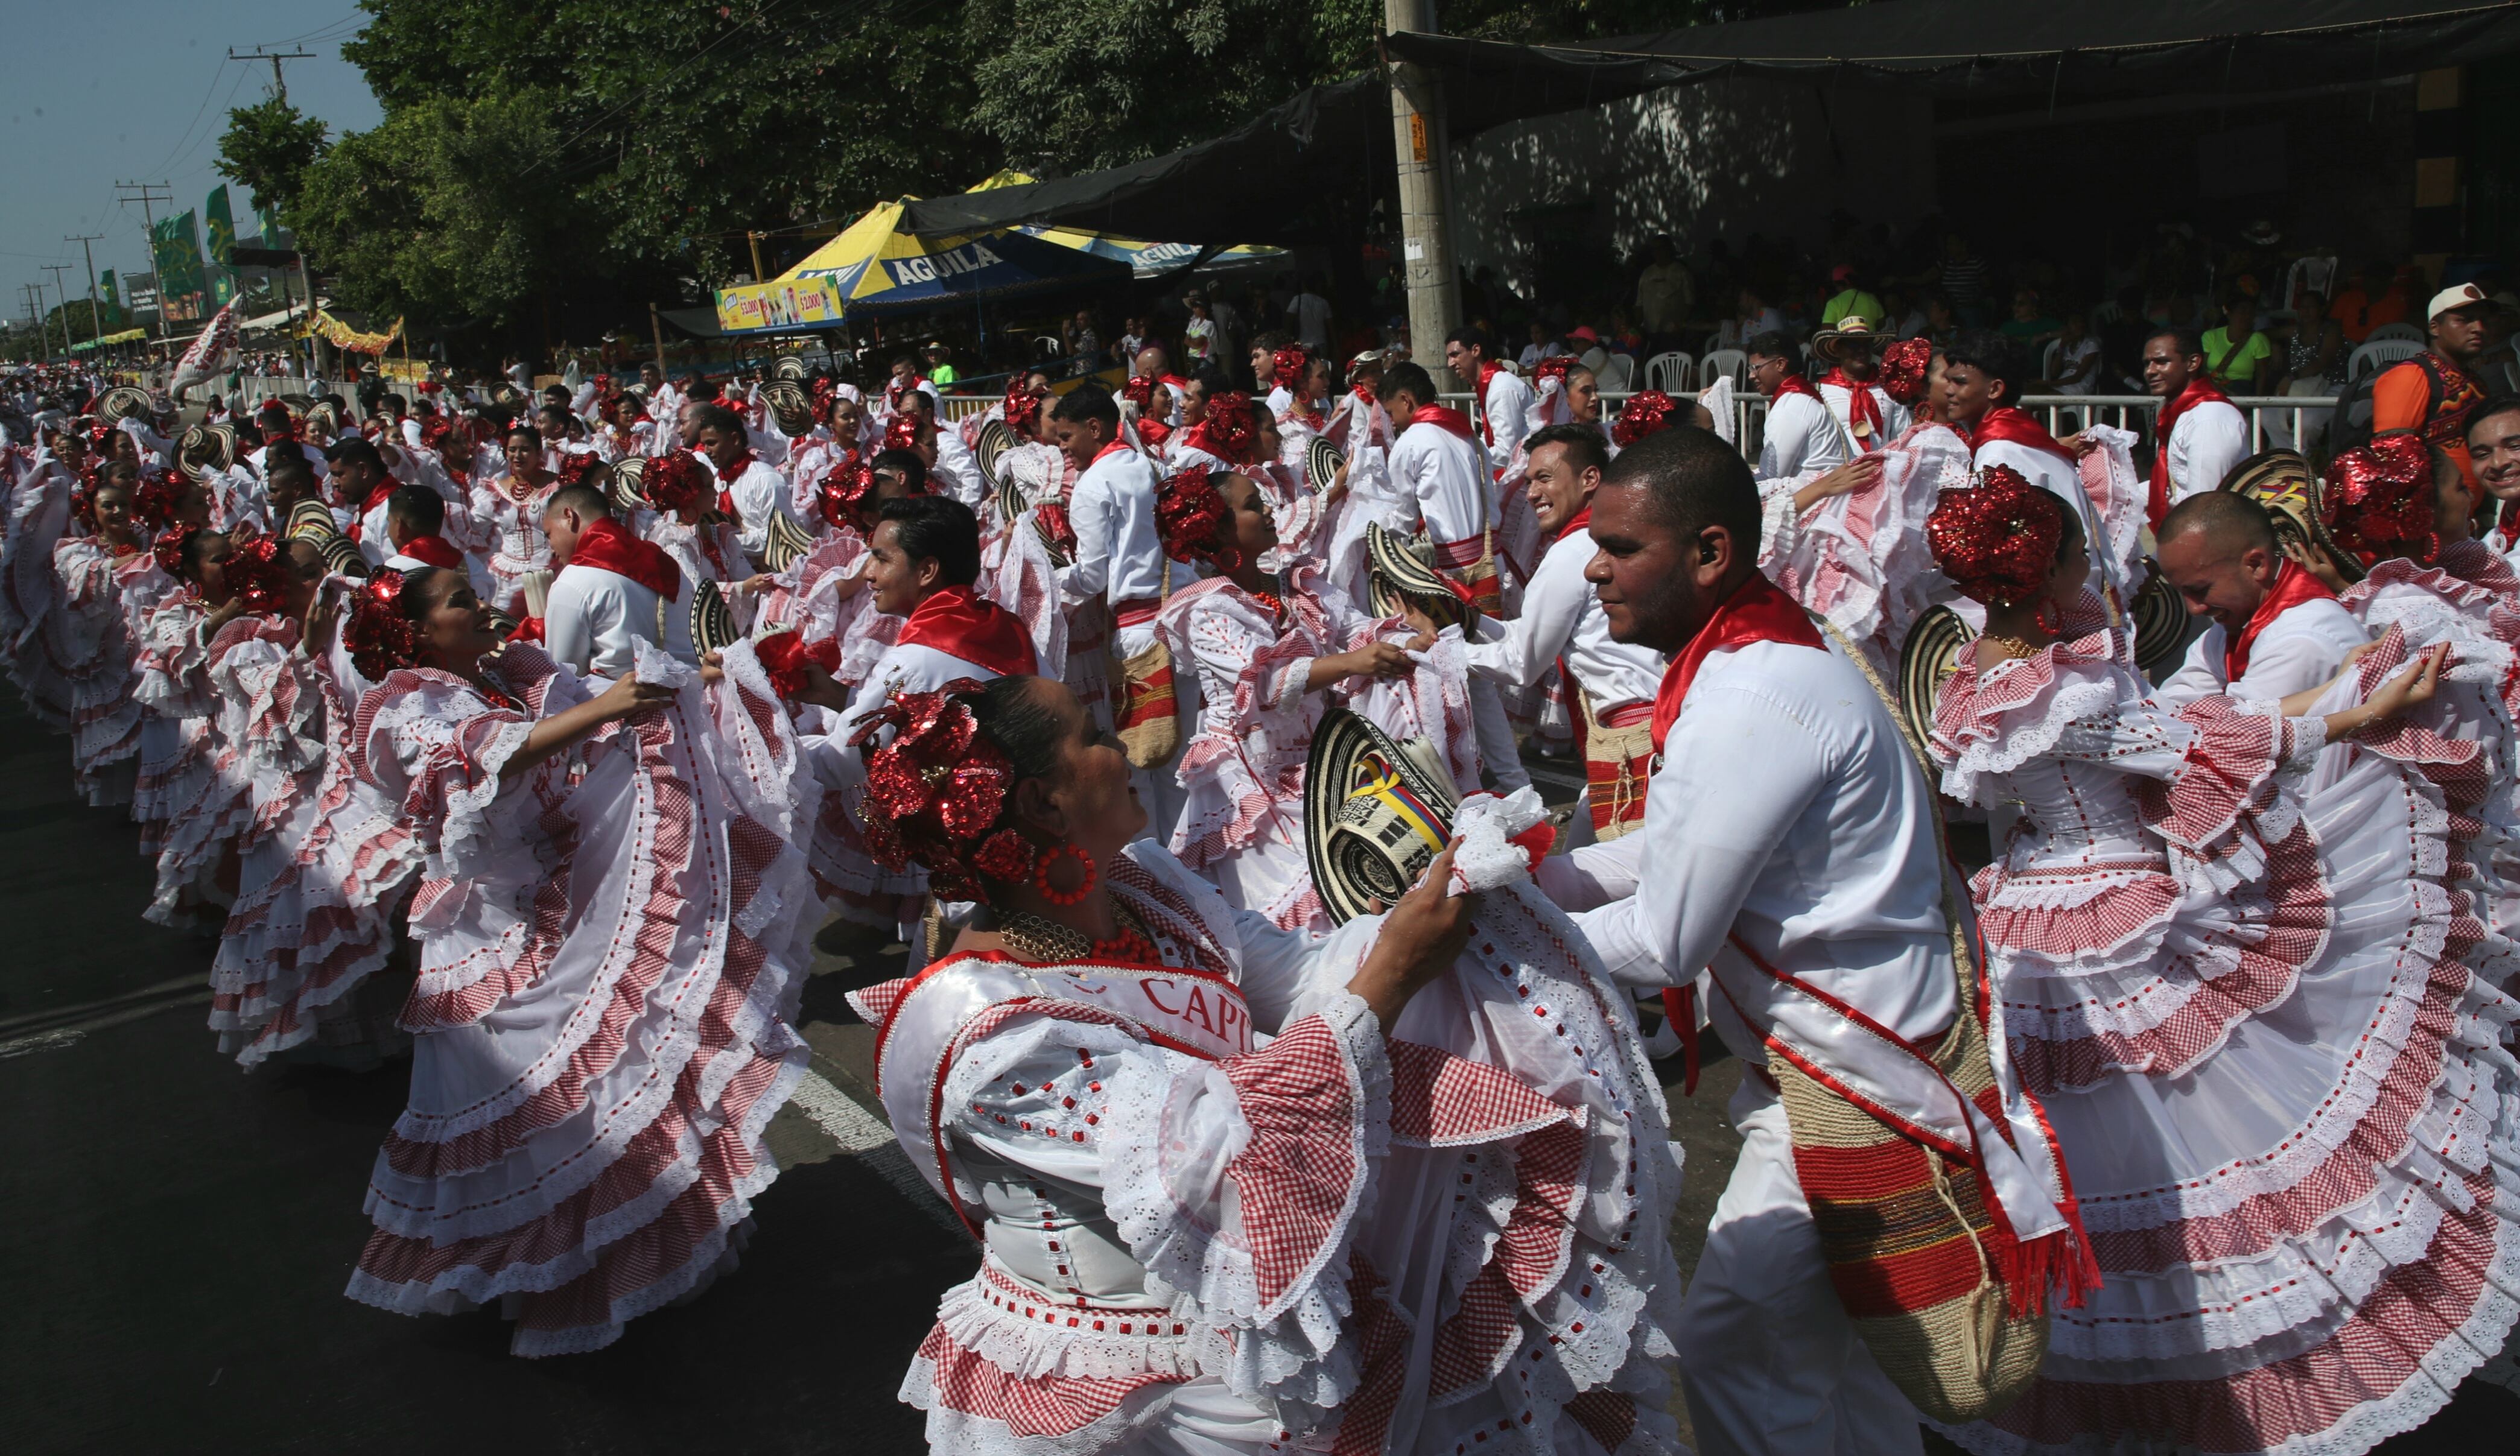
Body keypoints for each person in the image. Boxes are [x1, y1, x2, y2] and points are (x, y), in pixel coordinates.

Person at [1921, 469, 2514, 1456]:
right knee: (2188, 1153)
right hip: (2114, 918)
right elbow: (2194, 745)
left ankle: (2093, 1372)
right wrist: (2352, 715)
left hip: (2026, 925)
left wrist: (2338, 699)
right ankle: (2192, 1379)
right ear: (2053, 566)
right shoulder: (2064, 687)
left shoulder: (1975, 680)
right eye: (2080, 555)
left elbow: (2196, 728)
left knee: (2078, 1162)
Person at [1544, 428, 2088, 1456]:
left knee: (1738, 1349)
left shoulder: (1752, 690)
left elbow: (1666, 936)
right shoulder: (1768, 652)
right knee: (1848, 1367)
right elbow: (1677, 845)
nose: (1592, 565)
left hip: (1844, 1082)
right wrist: (1547, 878)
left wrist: (1512, 931)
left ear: (1708, 552)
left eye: (1619, 545)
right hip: (1843, 1062)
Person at [340, 566, 817, 1356]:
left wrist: (692, 678)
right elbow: (478, 756)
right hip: (489, 932)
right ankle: (540, 1273)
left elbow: (587, 696)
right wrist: (608, 705)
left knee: (607, 1087)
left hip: (550, 910)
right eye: (460, 601)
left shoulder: (506, 671)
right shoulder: (407, 702)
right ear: (419, 632)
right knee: (533, 1114)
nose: (483, 605)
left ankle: (623, 1250)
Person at [1460, 425, 1666, 841]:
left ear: (1590, 479)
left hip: (1636, 742)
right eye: (1530, 480)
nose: (1531, 493)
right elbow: (1533, 635)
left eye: (1544, 478)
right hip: (1649, 727)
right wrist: (1468, 622)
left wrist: (1439, 656)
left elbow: (1522, 662)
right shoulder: (1627, 533)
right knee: (1583, 860)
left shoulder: (1575, 550)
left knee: (1626, 882)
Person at [1047, 387, 1180, 828]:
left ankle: (1167, 868)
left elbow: (1092, 576)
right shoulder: (1154, 467)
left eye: (1066, 437)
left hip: (1139, 632)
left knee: (1146, 758)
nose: (1062, 447)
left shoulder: (1093, 484)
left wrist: (1041, 580)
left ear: (1094, 428)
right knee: (1188, 755)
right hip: (1181, 616)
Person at [2150, 490, 2364, 704]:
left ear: (2256, 565)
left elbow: (2241, 732)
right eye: (2182, 593)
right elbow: (2175, 702)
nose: (2194, 609)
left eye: (2200, 590)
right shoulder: (2239, 618)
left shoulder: (2301, 641)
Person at [539, 482, 696, 679]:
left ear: (569, 517)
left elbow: (565, 675)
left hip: (619, 703)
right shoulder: (667, 563)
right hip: (691, 695)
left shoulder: (573, 581)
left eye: (549, 535)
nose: (551, 550)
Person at [2371, 282, 2495, 490]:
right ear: (2434, 328)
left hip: (2470, 518)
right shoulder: (2410, 376)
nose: (2478, 328)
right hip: (2428, 519)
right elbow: (2394, 462)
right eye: (2465, 320)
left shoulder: (2474, 380)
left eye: (2483, 320)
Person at [2140, 326, 2250, 518]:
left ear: (2192, 363)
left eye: (2161, 362)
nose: (2150, 371)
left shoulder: (2209, 418)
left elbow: (2205, 505)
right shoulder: (2186, 412)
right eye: (2147, 363)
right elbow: (2174, 485)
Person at [1745, 329, 1852, 480]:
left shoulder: (1790, 407)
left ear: (1781, 364)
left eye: (1756, 368)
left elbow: (1772, 476)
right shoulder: (1801, 395)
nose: (1751, 375)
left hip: (1822, 496)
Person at [1444, 325, 1531, 483]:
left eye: (1455, 355)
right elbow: (1489, 437)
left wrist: (1463, 461)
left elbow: (1506, 452)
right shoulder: (1492, 384)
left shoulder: (1501, 388)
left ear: (1476, 350)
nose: (1450, 363)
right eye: (1448, 357)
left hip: (1522, 479)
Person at [1809, 318, 1911, 455]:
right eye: (1853, 345)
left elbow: (1904, 438)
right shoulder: (1819, 392)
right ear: (1838, 350)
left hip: (1883, 471)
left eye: (1867, 344)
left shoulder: (1889, 390)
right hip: (1839, 473)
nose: (1862, 350)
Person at [2200, 293, 2275, 393]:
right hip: (2211, 390)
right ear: (2230, 314)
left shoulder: (2258, 340)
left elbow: (2261, 375)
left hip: (2239, 393)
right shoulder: (2210, 336)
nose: (2247, 316)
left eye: (2251, 313)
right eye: (2243, 311)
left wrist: (2256, 404)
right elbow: (2201, 369)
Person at [1283, 275, 1333, 354]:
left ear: (1304, 286)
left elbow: (1288, 320)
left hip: (1302, 343)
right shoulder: (1323, 302)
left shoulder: (1297, 300)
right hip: (1320, 342)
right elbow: (1331, 326)